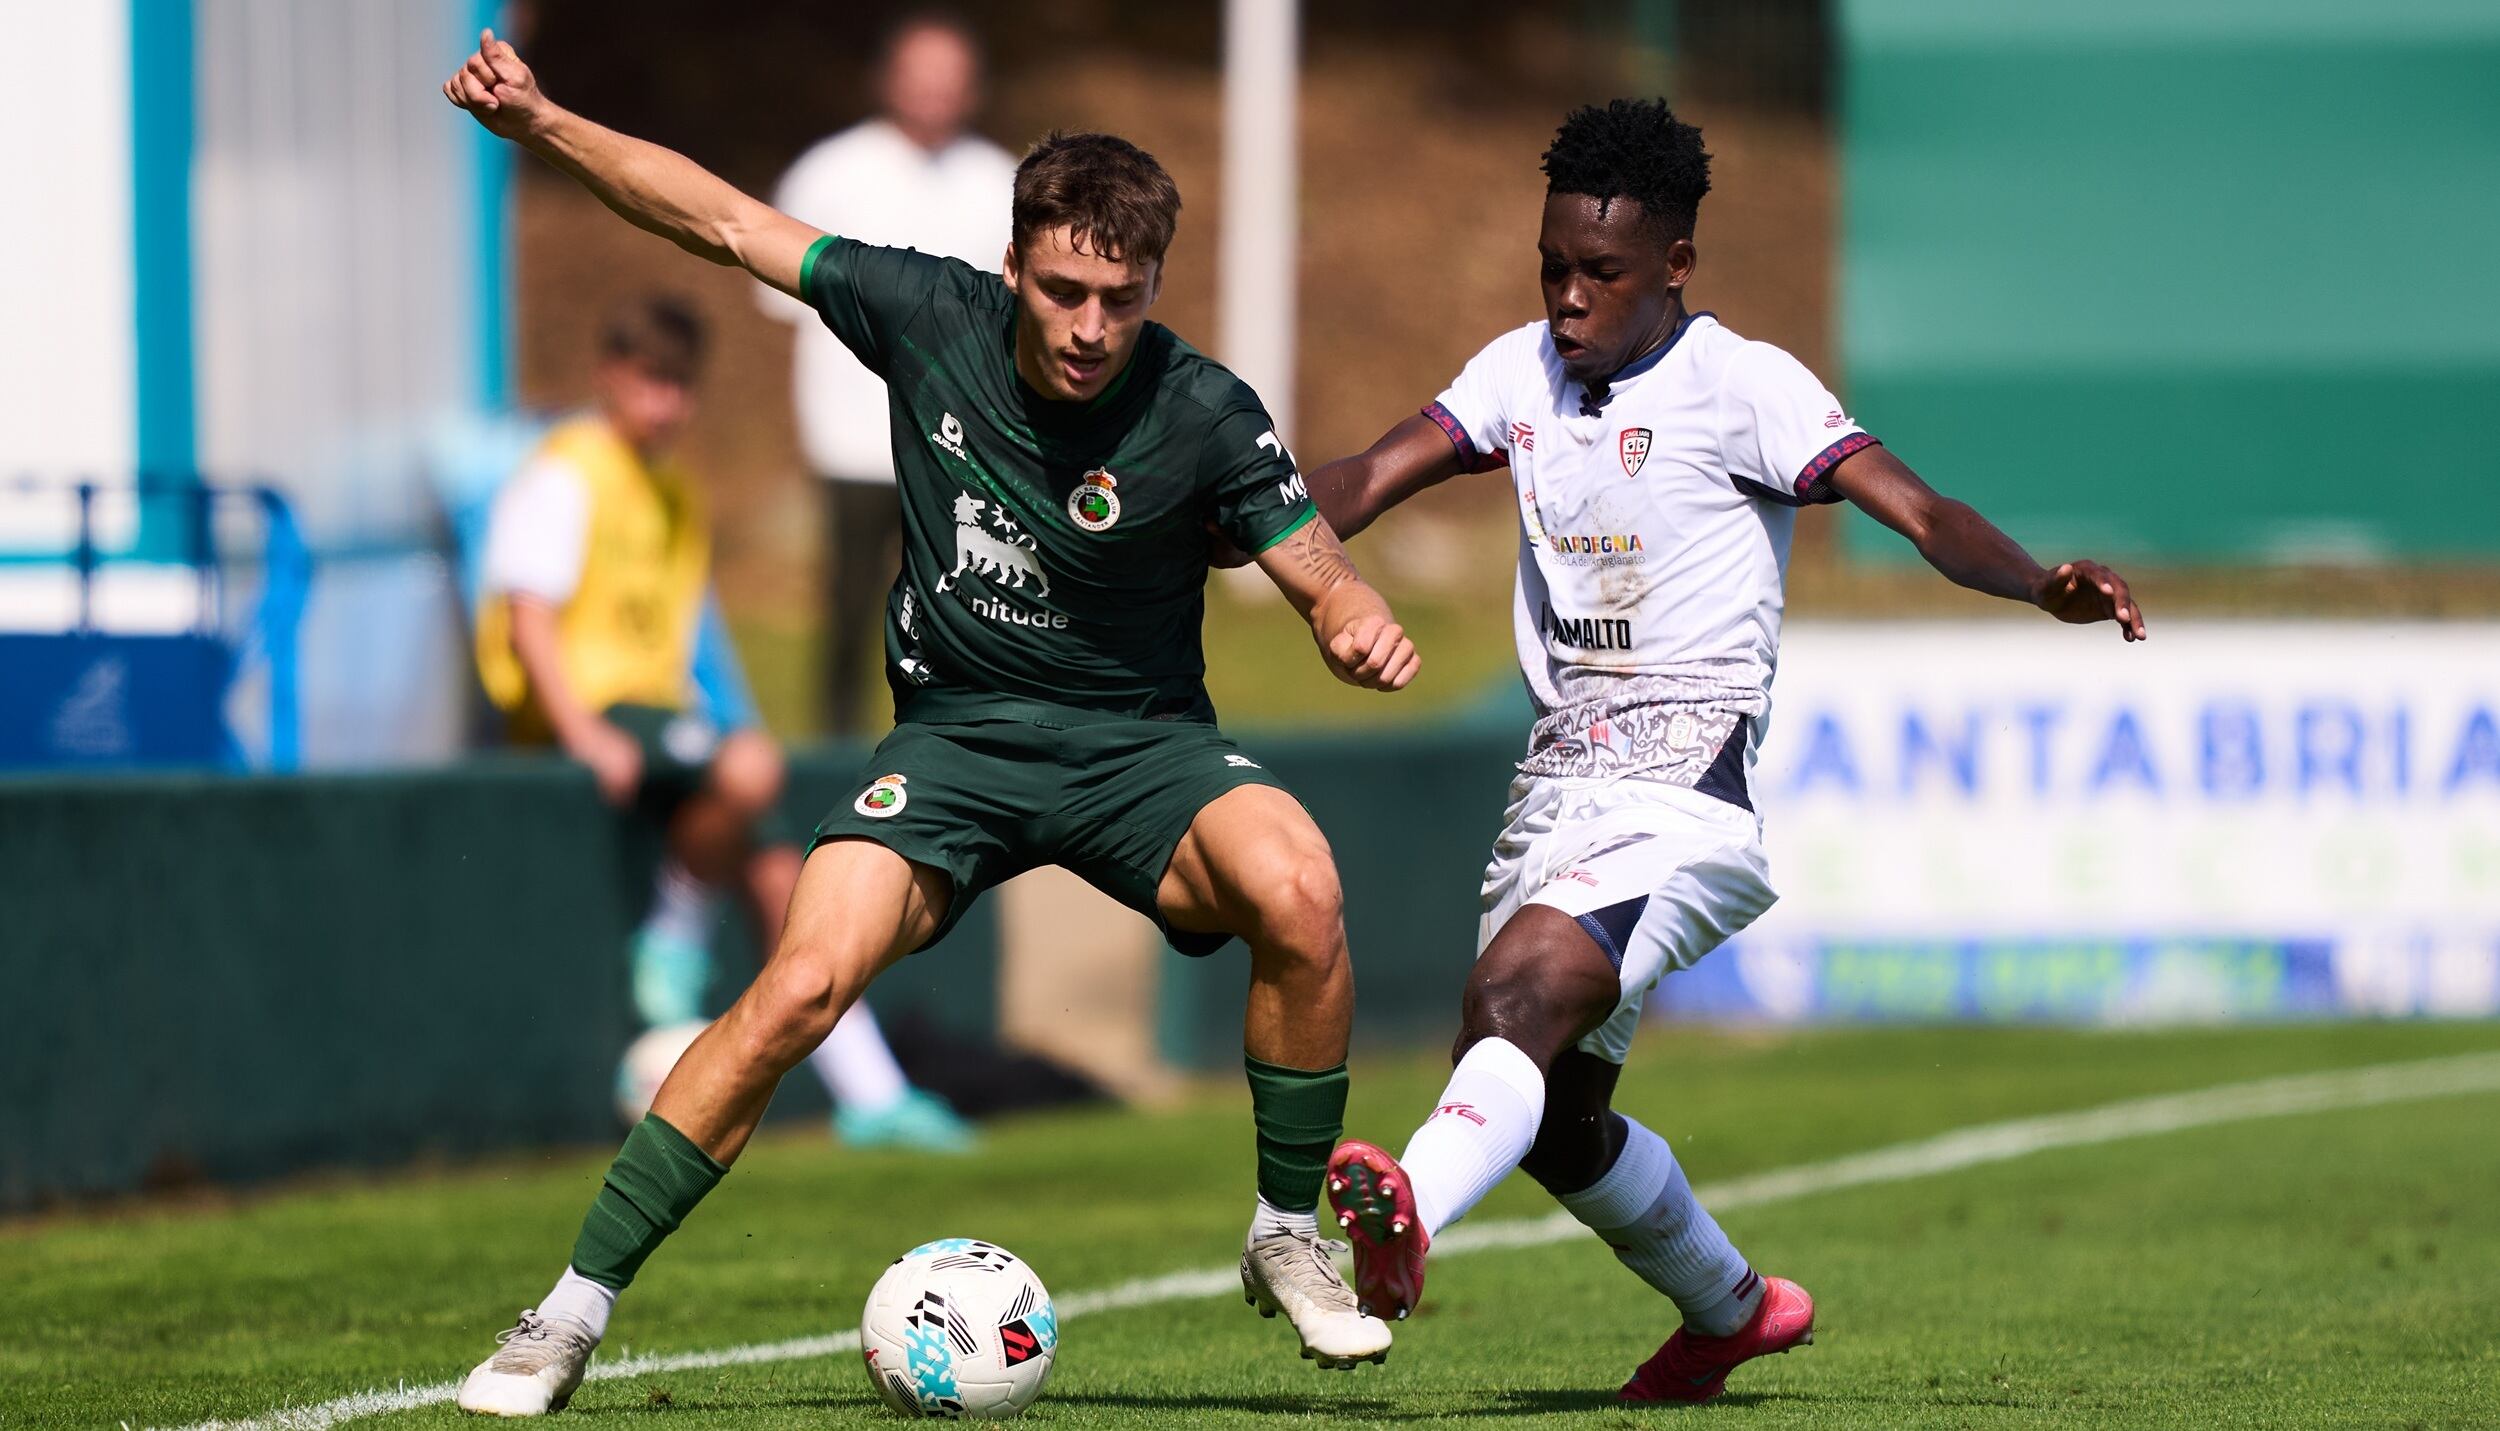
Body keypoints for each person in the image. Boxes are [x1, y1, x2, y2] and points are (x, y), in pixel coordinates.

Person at [444, 29, 1419, 1414]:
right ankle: (564, 1315)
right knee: (795, 987)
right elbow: (717, 216)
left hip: (1142, 747)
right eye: (1066, 290)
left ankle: (1281, 1233)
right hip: (957, 742)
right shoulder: (927, 314)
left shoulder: (1200, 405)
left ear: (1154, 287)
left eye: (1121, 300)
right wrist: (543, 122)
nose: (1090, 327)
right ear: (1016, 264)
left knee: (1302, 887)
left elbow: (1311, 554)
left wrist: (1349, 612)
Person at [1303, 99, 2147, 1403]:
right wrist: (1229, 509)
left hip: (1685, 791)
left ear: (1678, 265)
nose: (1570, 300)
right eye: (1554, 268)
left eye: (1604, 274)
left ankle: (1409, 1212)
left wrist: (2039, 584)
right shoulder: (1515, 374)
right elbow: (1362, 476)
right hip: (1556, 788)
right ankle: (1734, 1308)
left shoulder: (1742, 384)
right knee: (1560, 1120)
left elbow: (1916, 508)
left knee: (1512, 1002)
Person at [474, 297, 973, 1155]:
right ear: (610, 378)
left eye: (680, 387)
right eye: (649, 383)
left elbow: (689, 634)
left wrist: (721, 717)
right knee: (749, 770)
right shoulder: (565, 472)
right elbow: (528, 618)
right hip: (590, 711)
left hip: (660, 718)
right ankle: (674, 930)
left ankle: (871, 1091)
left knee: (787, 868)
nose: (665, 404)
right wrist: (580, 733)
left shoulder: (672, 490)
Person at [758, 12, 1018, 738]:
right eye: (920, 78)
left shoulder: (1001, 182)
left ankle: (959, 753)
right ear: (888, 80)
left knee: (967, 611)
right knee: (849, 614)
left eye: (950, 81)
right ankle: (838, 755)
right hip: (853, 441)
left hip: (963, 448)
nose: (934, 96)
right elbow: (785, 308)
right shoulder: (830, 172)